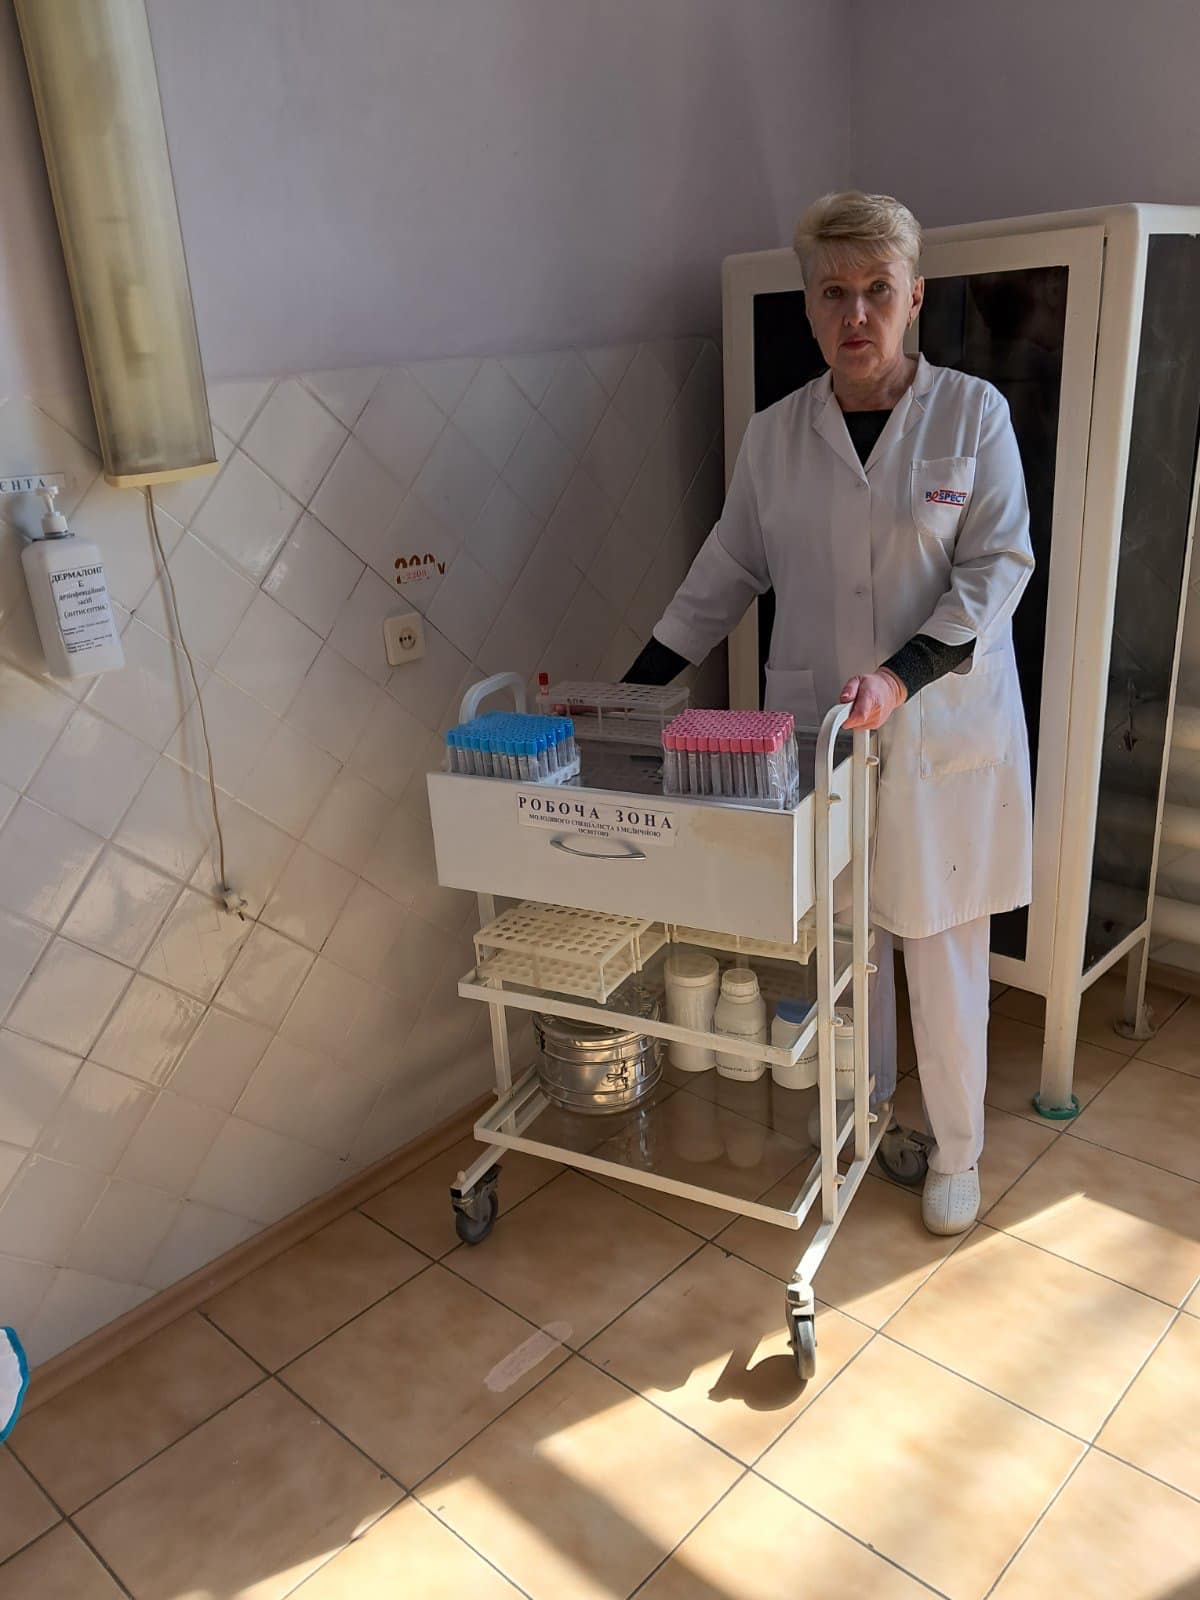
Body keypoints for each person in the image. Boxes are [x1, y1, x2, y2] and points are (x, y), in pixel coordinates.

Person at [625, 191, 1034, 1235]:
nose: (857, 313)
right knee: (846, 941)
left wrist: (902, 674)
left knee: (939, 946)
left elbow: (997, 568)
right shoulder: (776, 438)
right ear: (809, 308)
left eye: (878, 290)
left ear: (915, 298)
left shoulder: (972, 415)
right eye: (834, 292)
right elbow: (725, 572)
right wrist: (637, 685)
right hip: (819, 736)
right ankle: (868, 1111)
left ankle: (957, 1151)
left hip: (938, 729)